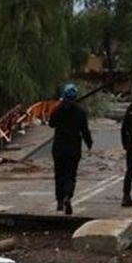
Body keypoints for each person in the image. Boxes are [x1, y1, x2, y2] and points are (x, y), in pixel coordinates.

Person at [48, 83, 93, 215]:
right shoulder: (80, 112)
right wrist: (89, 143)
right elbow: (85, 130)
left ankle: (60, 201)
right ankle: (68, 195)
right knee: (71, 174)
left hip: (59, 146)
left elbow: (51, 124)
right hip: (73, 147)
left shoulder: (58, 109)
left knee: (59, 173)